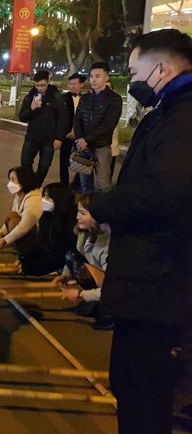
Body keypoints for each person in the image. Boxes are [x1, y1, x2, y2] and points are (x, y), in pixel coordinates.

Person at [86, 29, 192, 433]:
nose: (130, 79)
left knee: (141, 388)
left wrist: (98, 206)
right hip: (154, 277)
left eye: (134, 70)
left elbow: (162, 193)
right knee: (138, 385)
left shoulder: (182, 117)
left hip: (159, 279)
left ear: (161, 68)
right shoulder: (171, 110)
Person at [53, 194, 112, 330]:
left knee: (80, 269)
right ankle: (96, 302)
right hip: (103, 280)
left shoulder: (108, 242)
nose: (77, 217)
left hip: (111, 287)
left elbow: (114, 285)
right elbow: (78, 253)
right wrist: (66, 274)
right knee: (71, 257)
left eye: (82, 213)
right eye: (78, 212)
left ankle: (107, 309)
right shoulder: (84, 232)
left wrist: (81, 295)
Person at [73, 61, 122, 192]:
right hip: (83, 148)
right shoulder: (85, 98)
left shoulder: (114, 99)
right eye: (91, 76)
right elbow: (77, 120)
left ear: (106, 78)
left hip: (102, 147)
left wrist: (86, 139)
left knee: (103, 185)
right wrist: (80, 139)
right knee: (84, 185)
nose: (93, 79)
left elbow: (109, 125)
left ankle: (101, 212)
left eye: (97, 76)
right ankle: (85, 211)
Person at [18, 70, 68, 185]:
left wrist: (59, 138)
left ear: (48, 82)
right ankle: (30, 185)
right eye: (37, 85)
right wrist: (31, 109)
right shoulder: (29, 97)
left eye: (43, 85)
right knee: (25, 162)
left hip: (49, 138)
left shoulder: (57, 98)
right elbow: (22, 117)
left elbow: (63, 119)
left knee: (44, 165)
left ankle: (36, 185)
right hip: (32, 136)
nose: (40, 88)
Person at [18, 183, 77, 276]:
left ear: (59, 200)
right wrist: (24, 258)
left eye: (48, 198)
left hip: (67, 261)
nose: (44, 200)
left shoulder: (70, 224)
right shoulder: (47, 216)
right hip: (54, 257)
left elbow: (58, 256)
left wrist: (29, 267)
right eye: (44, 196)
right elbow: (43, 244)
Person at [0, 166, 42, 252]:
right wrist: (1, 233)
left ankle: (27, 252)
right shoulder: (20, 195)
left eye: (13, 179)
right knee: (10, 215)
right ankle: (17, 242)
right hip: (32, 229)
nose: (10, 183)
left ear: (23, 181)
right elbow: (14, 212)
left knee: (14, 223)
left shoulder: (33, 200)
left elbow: (24, 226)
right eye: (10, 179)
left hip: (40, 235)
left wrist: (5, 240)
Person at [59, 73, 86, 186]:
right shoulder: (62, 98)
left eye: (74, 84)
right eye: (70, 84)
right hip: (66, 134)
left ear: (81, 85)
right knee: (64, 161)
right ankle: (64, 184)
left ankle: (78, 183)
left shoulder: (86, 99)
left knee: (81, 160)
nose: (71, 86)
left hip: (81, 135)